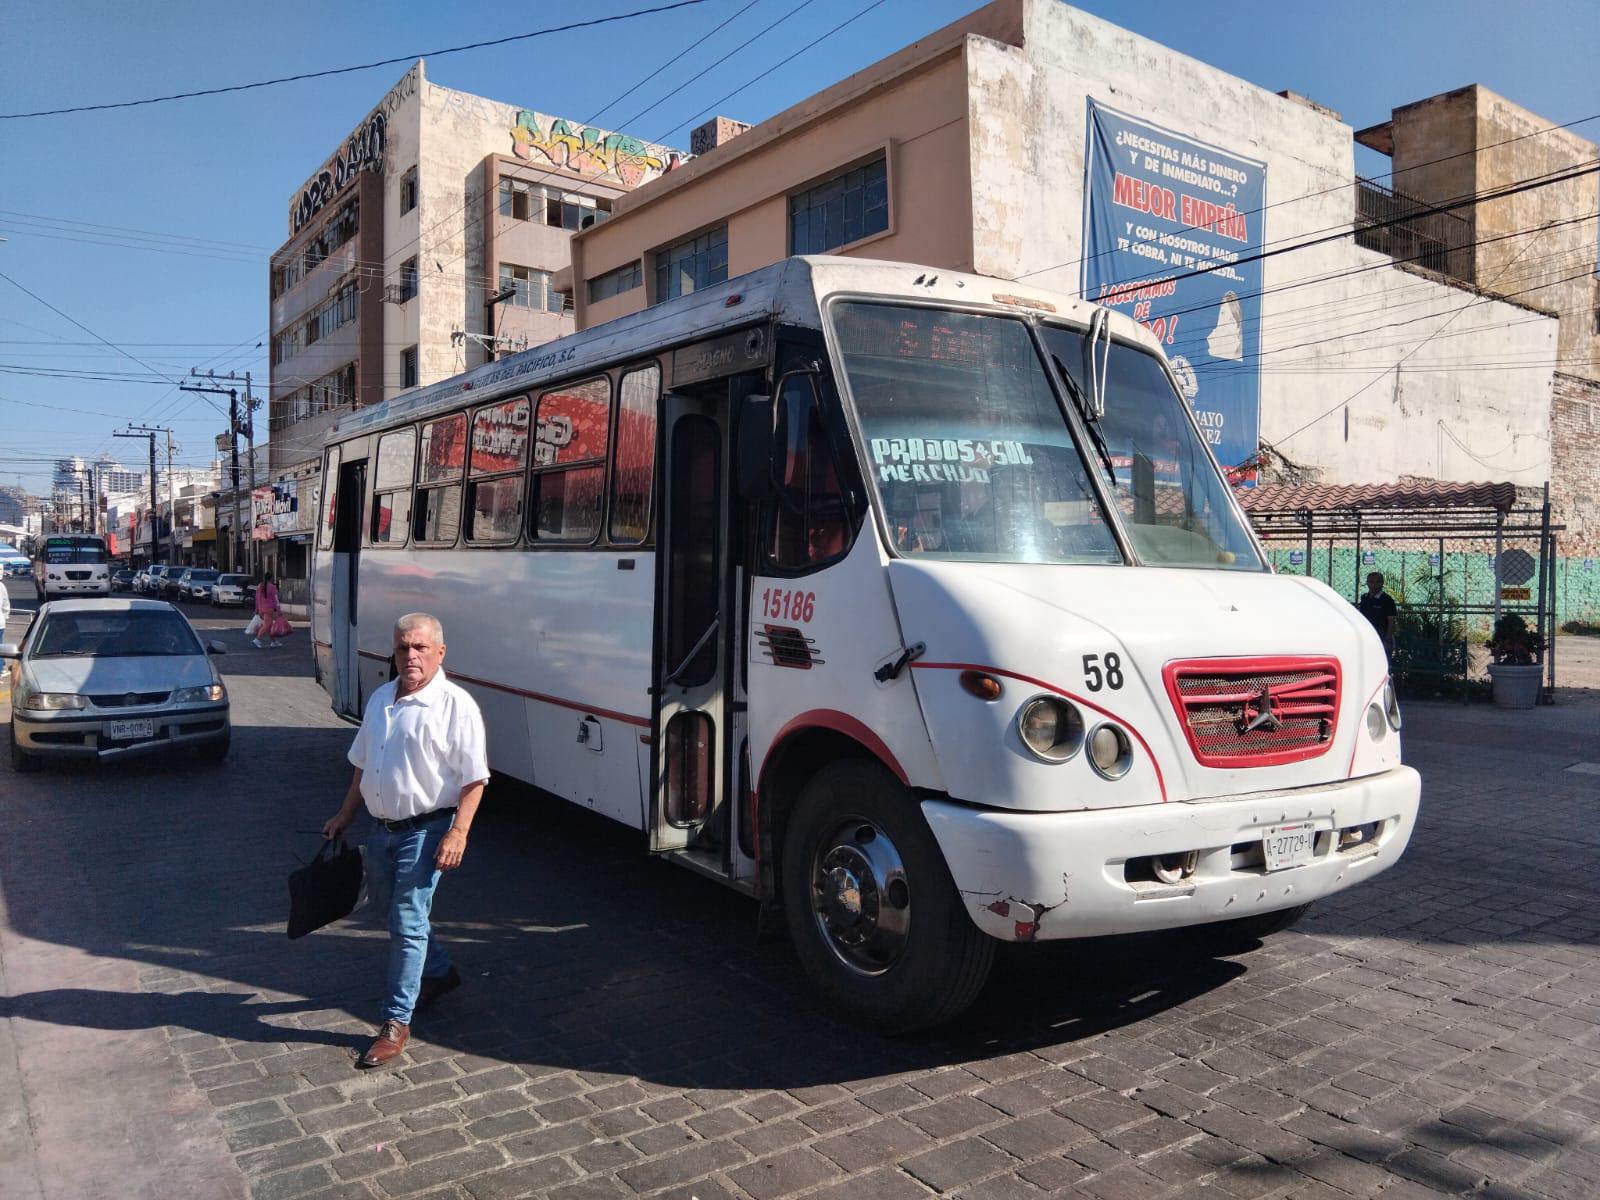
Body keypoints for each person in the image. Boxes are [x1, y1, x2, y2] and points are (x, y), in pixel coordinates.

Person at [322, 613, 489, 1069]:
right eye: (402, 649)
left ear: (440, 652)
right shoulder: (381, 699)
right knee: (389, 908)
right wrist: (344, 815)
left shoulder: (456, 706)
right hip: (382, 830)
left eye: (419, 648)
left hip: (428, 829)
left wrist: (459, 832)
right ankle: (438, 970)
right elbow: (362, 765)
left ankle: (396, 1021)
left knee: (406, 917)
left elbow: (475, 779)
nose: (410, 657)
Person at [1356, 571, 1398, 657]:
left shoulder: (1387, 600)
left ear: (1382, 583)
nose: (1374, 585)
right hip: (1367, 637)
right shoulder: (1364, 598)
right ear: (1367, 583)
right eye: (1371, 582)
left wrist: (1387, 639)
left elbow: (1391, 621)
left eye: (1377, 582)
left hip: (1382, 637)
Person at [252, 574, 283, 648]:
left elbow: (257, 598)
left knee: (269, 626)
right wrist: (278, 610)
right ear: (271, 578)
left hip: (261, 608)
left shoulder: (260, 586)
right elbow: (275, 600)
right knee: (267, 625)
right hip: (269, 608)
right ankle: (257, 639)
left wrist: (257, 608)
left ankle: (274, 641)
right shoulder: (272, 587)